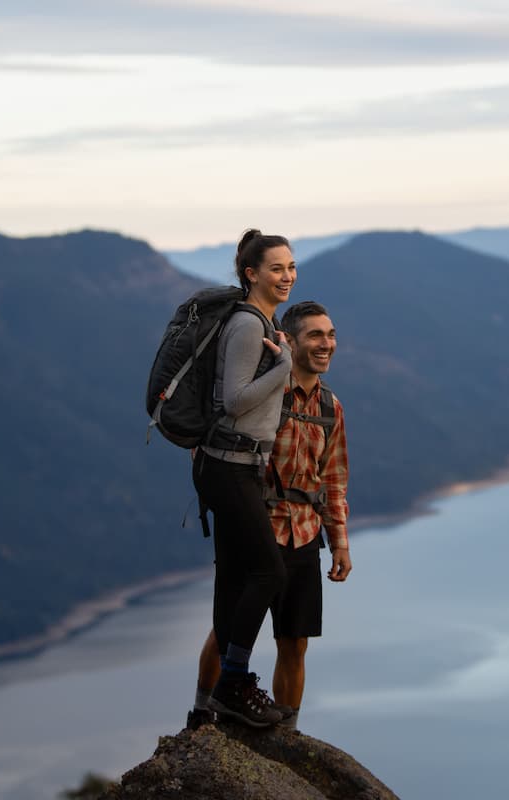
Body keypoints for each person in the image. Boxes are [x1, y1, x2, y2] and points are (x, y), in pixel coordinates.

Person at [189, 300, 352, 732]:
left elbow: (332, 479)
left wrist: (339, 542)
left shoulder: (330, 408)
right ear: (290, 341)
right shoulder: (266, 394)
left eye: (331, 335)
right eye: (316, 336)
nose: (327, 344)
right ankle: (203, 714)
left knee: (294, 642)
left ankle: (287, 734)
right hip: (256, 525)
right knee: (225, 629)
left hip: (303, 533)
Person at [191, 229, 297, 728]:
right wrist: (286, 367)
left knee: (234, 580)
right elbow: (234, 401)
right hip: (228, 467)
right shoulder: (248, 326)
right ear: (251, 273)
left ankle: (209, 706)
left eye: (291, 267)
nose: (287, 276)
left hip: (237, 467)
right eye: (276, 268)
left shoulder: (261, 325)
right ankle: (233, 681)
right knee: (269, 572)